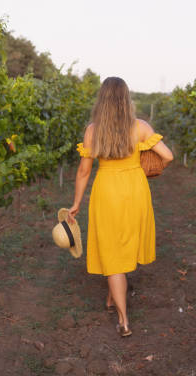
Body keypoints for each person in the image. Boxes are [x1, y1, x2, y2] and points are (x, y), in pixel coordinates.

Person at [68, 76, 173, 337]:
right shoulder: (140, 127)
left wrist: (76, 203)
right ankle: (116, 300)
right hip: (135, 189)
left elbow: (83, 172)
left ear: (101, 100)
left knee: (111, 248)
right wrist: (146, 166)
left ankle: (123, 319)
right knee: (124, 243)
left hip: (106, 190)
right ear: (126, 99)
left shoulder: (93, 130)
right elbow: (168, 156)